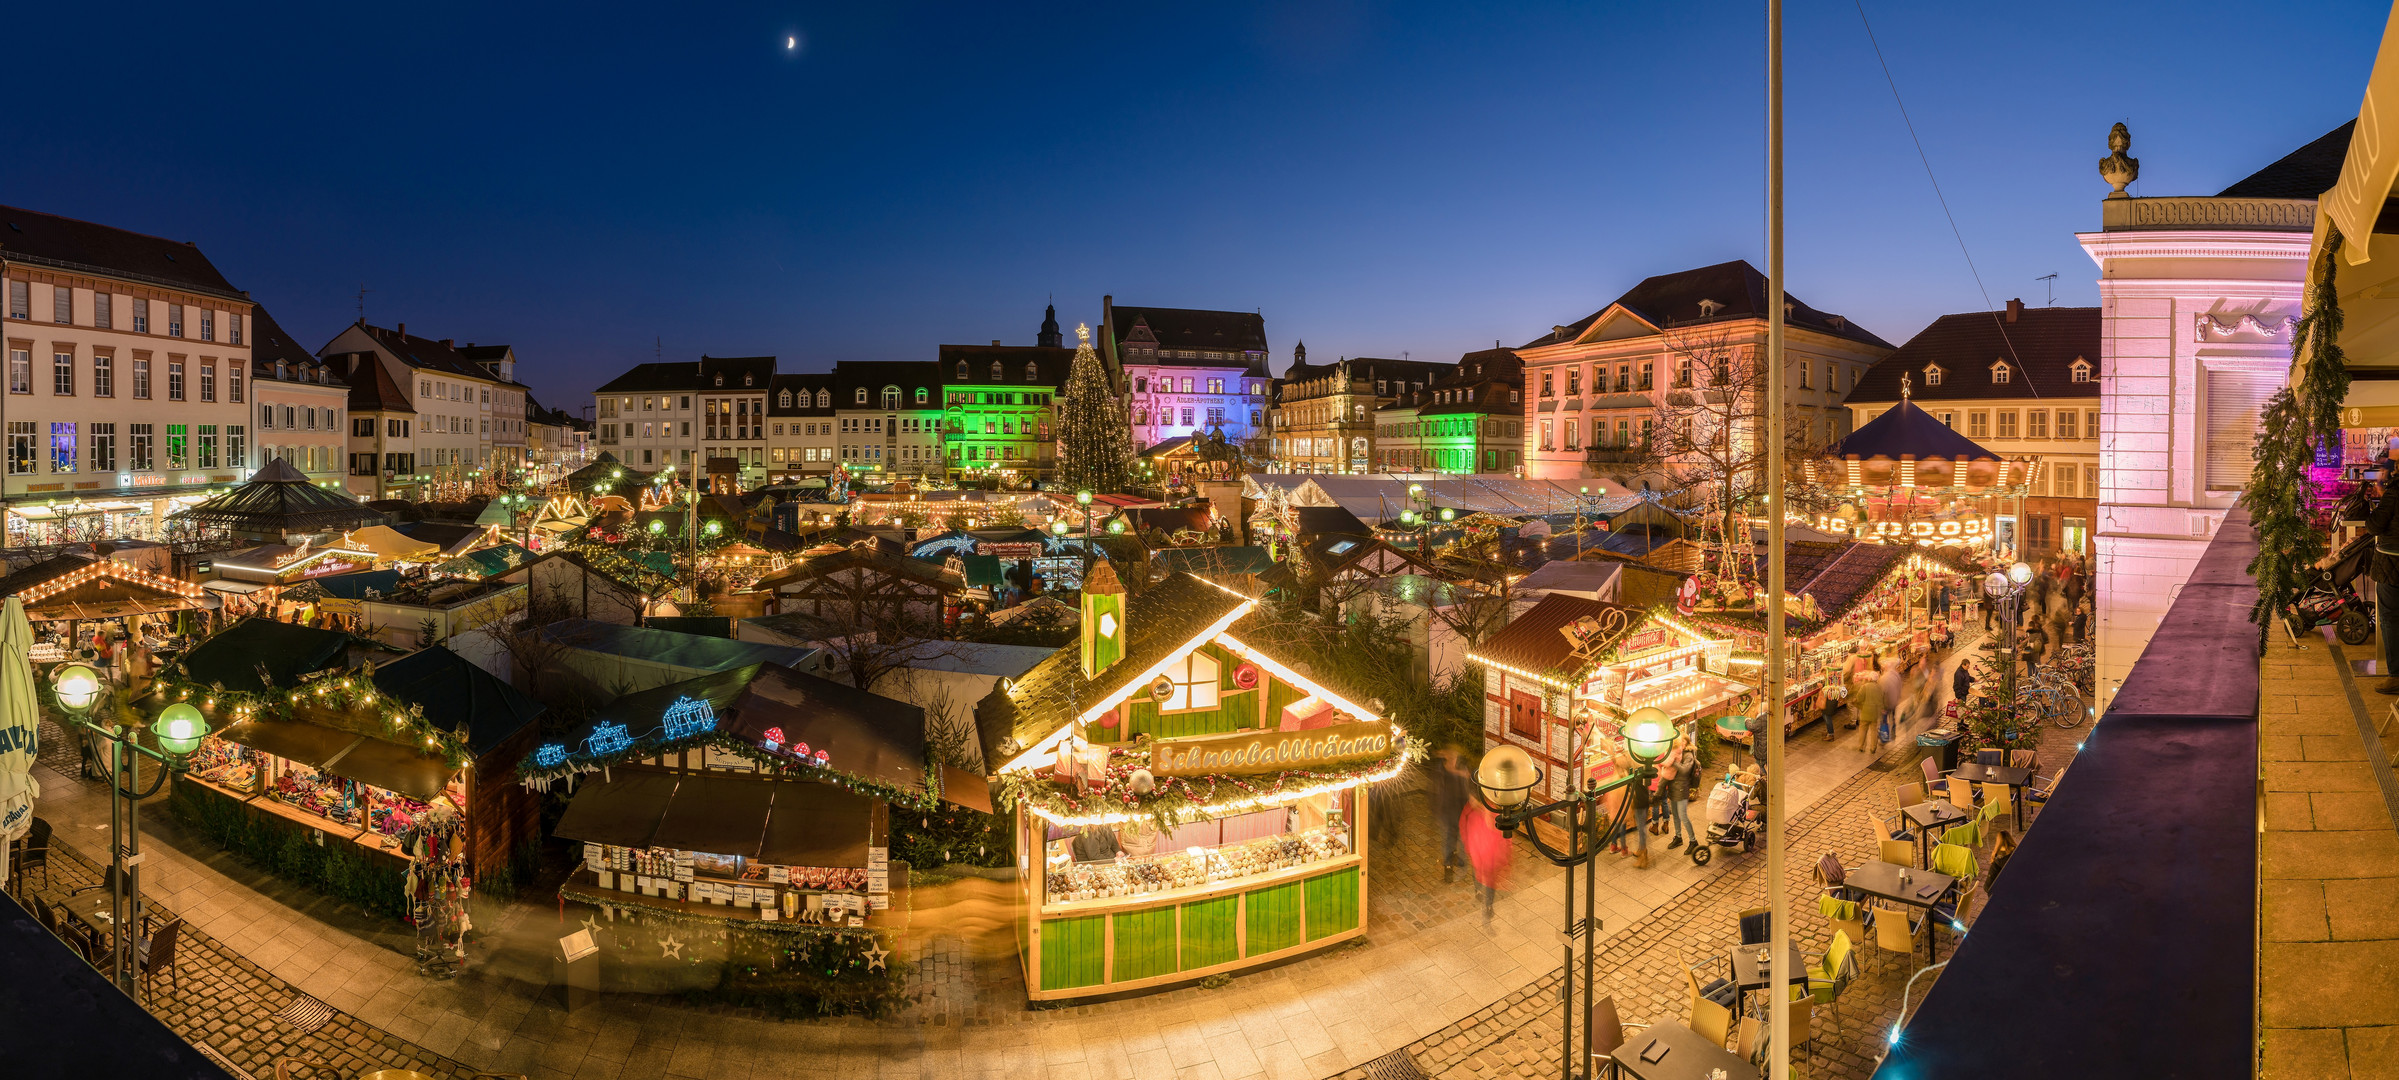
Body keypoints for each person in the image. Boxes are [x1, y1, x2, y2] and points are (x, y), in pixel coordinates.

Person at [2370, 462, 2399, 694]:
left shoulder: (2394, 494)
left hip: (2392, 562)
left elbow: (2374, 526)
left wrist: (2380, 492)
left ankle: (2396, 676)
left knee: (2390, 618)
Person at [1461, 801, 1510, 924]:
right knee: (1486, 877)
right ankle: (1486, 902)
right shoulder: (1479, 812)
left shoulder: (1474, 811)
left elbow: (1463, 826)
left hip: (1485, 854)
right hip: (1483, 852)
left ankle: (1486, 902)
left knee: (1487, 878)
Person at [1432, 746, 1471, 884]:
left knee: (1458, 837)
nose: (1455, 759)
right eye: (1453, 757)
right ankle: (1449, 865)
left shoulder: (1456, 772)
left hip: (1458, 811)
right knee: (1451, 837)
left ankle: (1456, 859)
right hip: (1450, 812)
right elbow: (1441, 793)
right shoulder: (1445, 772)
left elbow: (1465, 793)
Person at [1658, 738, 1698, 850]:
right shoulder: (1676, 752)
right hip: (1673, 788)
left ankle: (1693, 840)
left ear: (1687, 742)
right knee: (1675, 814)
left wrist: (1673, 762)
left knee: (1683, 816)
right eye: (1680, 741)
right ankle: (1678, 837)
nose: (1681, 743)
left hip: (1682, 789)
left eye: (1683, 741)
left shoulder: (1688, 756)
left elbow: (1685, 770)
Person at [1851, 660, 1886, 753]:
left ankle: (1861, 746)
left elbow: (1859, 698)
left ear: (1869, 678)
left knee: (1863, 729)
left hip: (1865, 712)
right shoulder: (1879, 688)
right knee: (1874, 730)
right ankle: (1873, 748)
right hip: (1875, 713)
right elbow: (1882, 700)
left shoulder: (1865, 687)